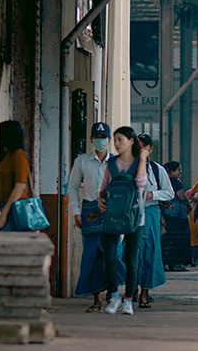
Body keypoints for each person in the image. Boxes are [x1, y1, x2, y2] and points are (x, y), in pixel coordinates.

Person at [96, 127, 149, 316]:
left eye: (120, 140)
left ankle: (128, 300)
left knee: (131, 259)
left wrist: (142, 159)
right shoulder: (111, 163)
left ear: (131, 141)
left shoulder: (139, 162)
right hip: (112, 215)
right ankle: (114, 296)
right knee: (110, 257)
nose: (116, 144)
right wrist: (101, 200)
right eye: (115, 140)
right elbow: (103, 187)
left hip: (135, 217)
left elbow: (141, 183)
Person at [69, 122, 114, 311]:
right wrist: (76, 212)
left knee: (112, 253)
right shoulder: (82, 161)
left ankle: (112, 294)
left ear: (109, 140)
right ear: (91, 140)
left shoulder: (116, 162)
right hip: (89, 211)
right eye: (97, 138)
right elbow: (71, 187)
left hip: (112, 211)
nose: (100, 141)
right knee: (92, 254)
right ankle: (96, 299)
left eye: (104, 138)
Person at [132, 133, 174, 309]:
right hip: (131, 212)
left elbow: (169, 193)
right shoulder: (127, 167)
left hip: (150, 212)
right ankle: (131, 288)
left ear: (150, 149)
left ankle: (145, 292)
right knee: (133, 252)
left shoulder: (157, 170)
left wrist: (152, 194)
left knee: (150, 252)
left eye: (144, 147)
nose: (140, 150)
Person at [161, 161, 192, 271]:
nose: (181, 172)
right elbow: (182, 196)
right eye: (178, 169)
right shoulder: (175, 182)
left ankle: (166, 262)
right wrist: (189, 205)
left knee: (167, 239)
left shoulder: (163, 181)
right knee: (178, 239)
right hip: (177, 215)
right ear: (171, 171)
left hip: (166, 213)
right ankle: (176, 263)